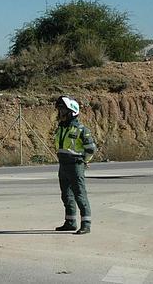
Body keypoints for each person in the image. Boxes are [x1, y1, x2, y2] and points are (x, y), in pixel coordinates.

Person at [54, 96, 97, 235]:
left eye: (62, 110)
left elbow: (90, 149)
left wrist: (85, 161)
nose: (60, 113)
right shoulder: (61, 128)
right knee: (66, 195)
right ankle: (70, 222)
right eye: (59, 110)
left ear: (72, 112)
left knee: (80, 195)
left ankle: (86, 224)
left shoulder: (81, 129)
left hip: (75, 164)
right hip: (63, 165)